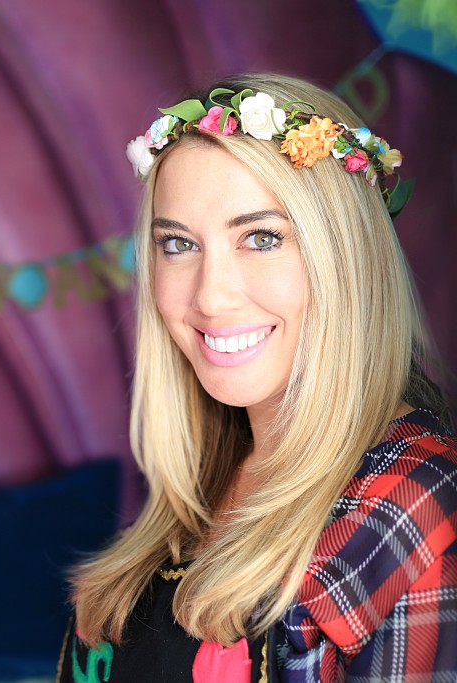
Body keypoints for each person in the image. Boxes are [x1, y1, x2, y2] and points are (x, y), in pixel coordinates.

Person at [58, 74, 457, 682]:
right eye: (177, 244)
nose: (211, 298)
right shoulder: (201, 480)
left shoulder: (415, 504)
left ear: (344, 257)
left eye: (261, 238)